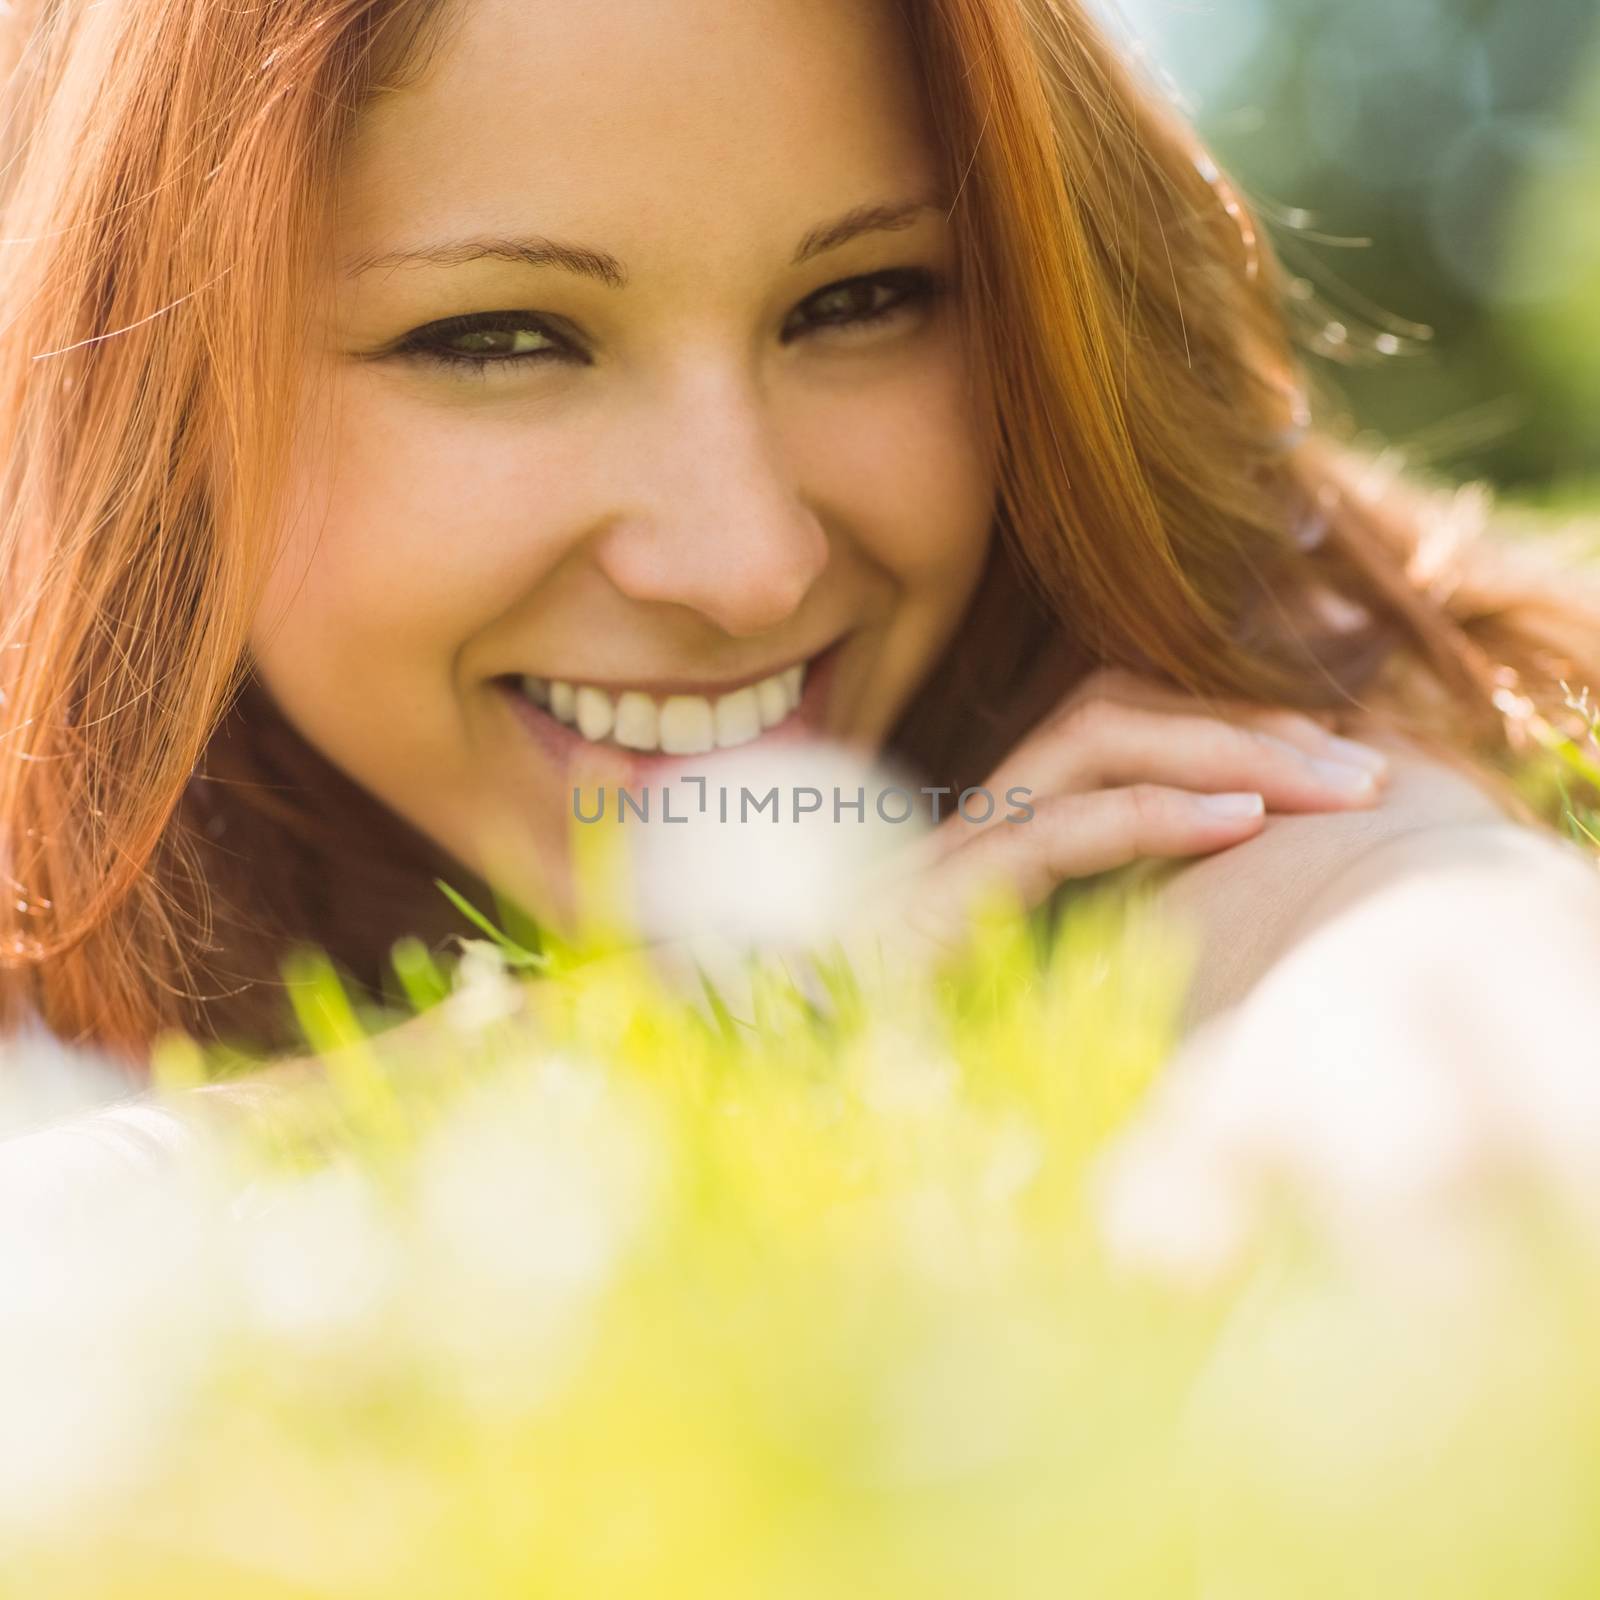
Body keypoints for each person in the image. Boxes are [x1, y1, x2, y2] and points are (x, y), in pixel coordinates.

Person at [3, 0, 1599, 1077]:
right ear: (126, 379)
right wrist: (646, 1032)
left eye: (863, 301)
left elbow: (1418, 930)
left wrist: (1434, 934)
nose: (747, 563)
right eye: (497, 339)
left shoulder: (1148, 678)